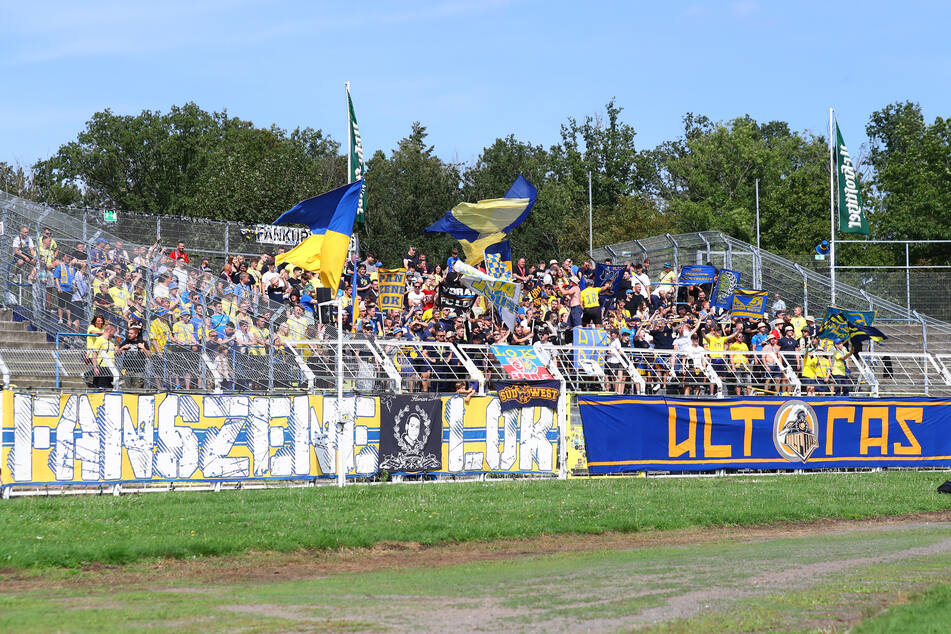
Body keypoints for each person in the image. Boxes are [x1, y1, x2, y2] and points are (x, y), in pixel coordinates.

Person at [88, 323, 118, 389]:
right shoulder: (100, 340)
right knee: (100, 387)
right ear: (110, 331)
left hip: (111, 367)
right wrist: (95, 367)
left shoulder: (111, 341)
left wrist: (118, 343)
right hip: (102, 367)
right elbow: (94, 353)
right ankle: (86, 375)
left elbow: (116, 353)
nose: (114, 333)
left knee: (109, 387)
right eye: (114, 331)